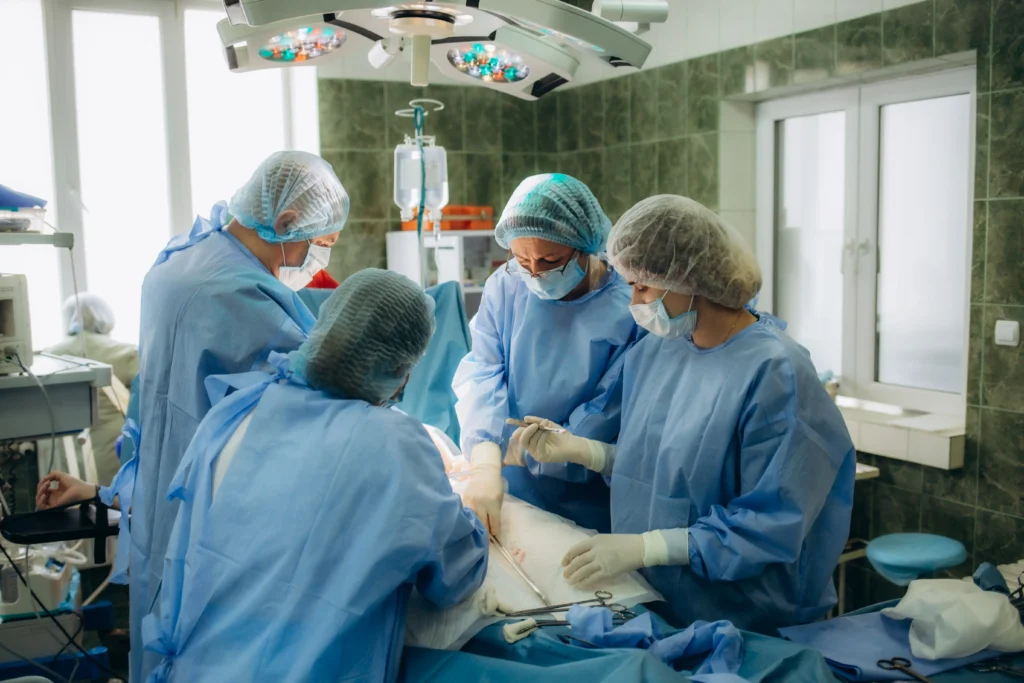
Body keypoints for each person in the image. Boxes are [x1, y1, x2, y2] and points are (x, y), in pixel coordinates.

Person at [37, 151, 349, 683]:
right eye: (319, 243)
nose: (316, 257)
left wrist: (102, 491)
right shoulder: (243, 294)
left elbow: (157, 426)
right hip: (217, 528)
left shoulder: (179, 262)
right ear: (287, 222)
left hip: (165, 516)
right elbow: (320, 393)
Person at [513, 195, 856, 633]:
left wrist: (648, 548)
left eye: (642, 285)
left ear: (689, 280)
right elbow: (664, 473)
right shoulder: (658, 351)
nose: (632, 299)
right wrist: (587, 452)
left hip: (748, 617)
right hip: (664, 603)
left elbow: (770, 522)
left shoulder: (776, 374)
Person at [128, 269, 483, 682]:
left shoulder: (236, 410)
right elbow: (455, 575)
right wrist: (471, 507)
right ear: (399, 366)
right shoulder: (395, 443)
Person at [452, 174, 637, 535]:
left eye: (550, 261)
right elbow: (484, 372)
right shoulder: (506, 286)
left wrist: (537, 451)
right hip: (510, 483)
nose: (534, 273)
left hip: (588, 495)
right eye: (522, 260)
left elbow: (607, 410)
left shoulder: (627, 308)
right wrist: (487, 461)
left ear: (585, 246)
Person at [45, 293, 138, 485]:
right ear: (106, 316)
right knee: (110, 506)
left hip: (64, 452)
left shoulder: (49, 356)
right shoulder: (127, 353)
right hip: (112, 451)